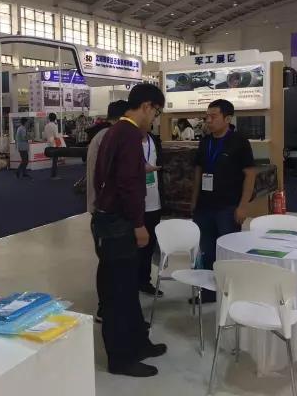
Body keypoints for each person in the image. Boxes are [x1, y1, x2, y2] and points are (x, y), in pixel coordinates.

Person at [92, 84, 167, 378]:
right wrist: (138, 224)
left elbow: (107, 176)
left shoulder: (116, 132)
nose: (155, 120)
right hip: (119, 224)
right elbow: (126, 186)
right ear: (147, 106)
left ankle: (138, 343)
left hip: (111, 220)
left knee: (127, 289)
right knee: (118, 294)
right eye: (156, 113)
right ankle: (121, 358)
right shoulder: (128, 134)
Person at [191, 99, 256, 302]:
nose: (208, 120)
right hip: (204, 207)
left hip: (228, 207)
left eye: (213, 116)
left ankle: (231, 292)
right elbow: (198, 172)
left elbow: (250, 174)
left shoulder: (239, 142)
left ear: (227, 119)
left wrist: (243, 206)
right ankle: (210, 291)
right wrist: (194, 201)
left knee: (228, 250)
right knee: (207, 251)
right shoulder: (205, 141)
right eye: (207, 116)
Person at [86, 100, 129, 324]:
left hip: (101, 209)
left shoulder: (102, 136)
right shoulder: (110, 136)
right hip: (106, 212)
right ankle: (106, 309)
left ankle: (112, 308)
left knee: (109, 263)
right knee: (110, 264)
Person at [139, 127, 165, 296]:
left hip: (154, 202)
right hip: (136, 203)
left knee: (149, 246)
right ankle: (131, 281)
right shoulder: (128, 141)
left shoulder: (154, 140)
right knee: (134, 247)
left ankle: (144, 280)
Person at [44, 113, 61, 179]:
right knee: (55, 160)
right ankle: (54, 175)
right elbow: (56, 136)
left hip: (49, 143)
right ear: (55, 118)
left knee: (54, 160)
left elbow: (45, 136)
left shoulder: (46, 125)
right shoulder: (54, 125)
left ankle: (53, 174)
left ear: (49, 118)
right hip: (54, 144)